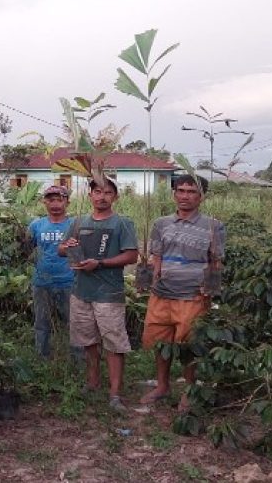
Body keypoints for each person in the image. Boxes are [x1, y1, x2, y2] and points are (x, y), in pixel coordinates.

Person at [139, 174, 226, 411]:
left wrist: (210, 289)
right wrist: (150, 281)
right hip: (162, 294)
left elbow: (216, 261)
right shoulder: (161, 224)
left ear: (201, 197)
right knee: (161, 342)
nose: (185, 196)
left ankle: (189, 389)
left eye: (191, 192)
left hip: (193, 296)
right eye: (181, 190)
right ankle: (162, 386)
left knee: (189, 345)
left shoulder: (213, 226)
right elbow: (156, 256)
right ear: (174, 193)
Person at [58, 176, 138, 411]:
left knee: (113, 343)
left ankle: (115, 393)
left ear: (115, 196)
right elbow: (61, 249)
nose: (102, 197)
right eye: (98, 192)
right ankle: (92, 382)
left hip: (109, 293)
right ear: (90, 194)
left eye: (108, 193)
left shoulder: (122, 223)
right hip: (81, 291)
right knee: (88, 340)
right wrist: (67, 248)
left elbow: (132, 256)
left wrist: (100, 263)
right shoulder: (78, 221)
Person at [28, 185, 77, 358]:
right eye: (51, 200)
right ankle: (42, 358)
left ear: (67, 202)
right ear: (44, 202)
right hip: (42, 282)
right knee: (41, 323)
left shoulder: (75, 224)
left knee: (74, 323)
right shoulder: (36, 225)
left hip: (69, 282)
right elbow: (27, 249)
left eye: (59, 199)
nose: (55, 204)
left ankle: (77, 361)